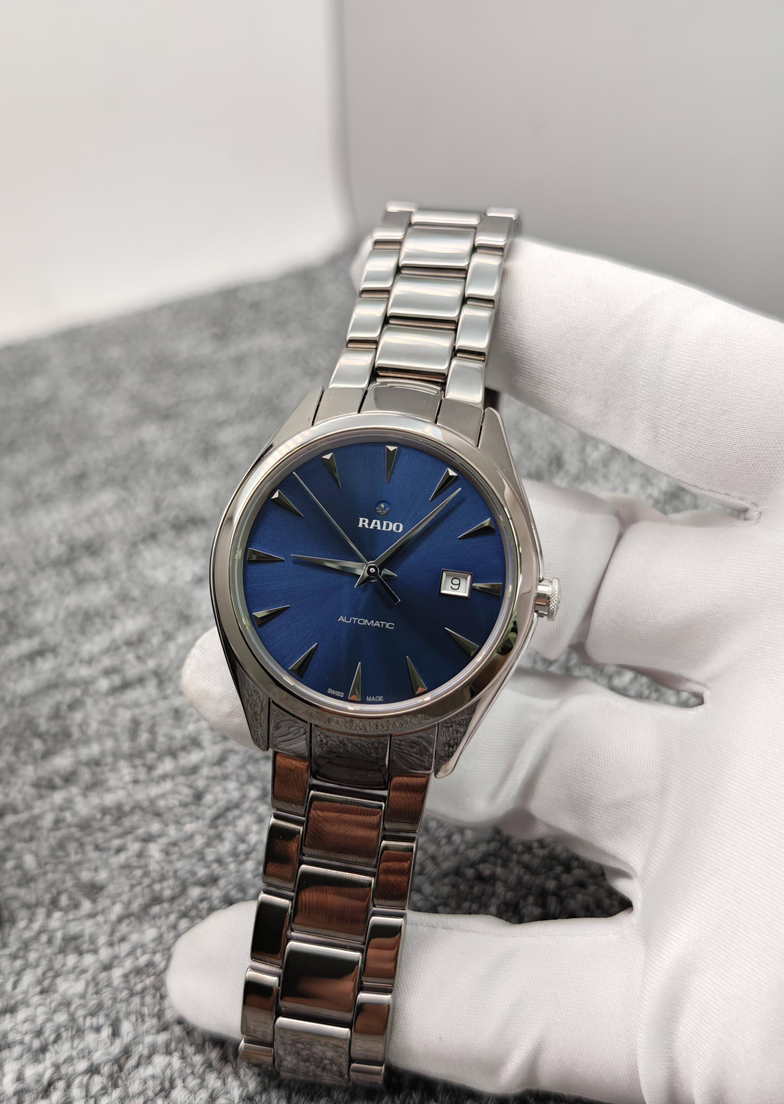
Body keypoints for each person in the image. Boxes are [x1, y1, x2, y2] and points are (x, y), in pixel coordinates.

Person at [167, 237, 784, 1104]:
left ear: (534, 595)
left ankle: (310, 1001)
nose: (372, 573)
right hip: (310, 675)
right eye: (360, 562)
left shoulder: (507, 581)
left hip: (384, 674)